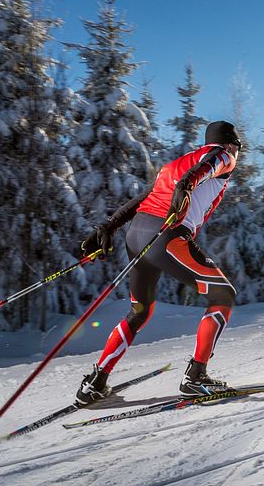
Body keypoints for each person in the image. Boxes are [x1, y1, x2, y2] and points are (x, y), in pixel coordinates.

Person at [75, 121, 242, 406]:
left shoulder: (175, 164)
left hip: (137, 234)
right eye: (239, 148)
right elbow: (208, 166)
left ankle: (95, 382)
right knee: (222, 296)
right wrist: (188, 184)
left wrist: (107, 227)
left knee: (139, 310)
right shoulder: (221, 156)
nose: (238, 155)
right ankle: (196, 377)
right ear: (230, 144)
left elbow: (144, 197)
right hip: (166, 236)